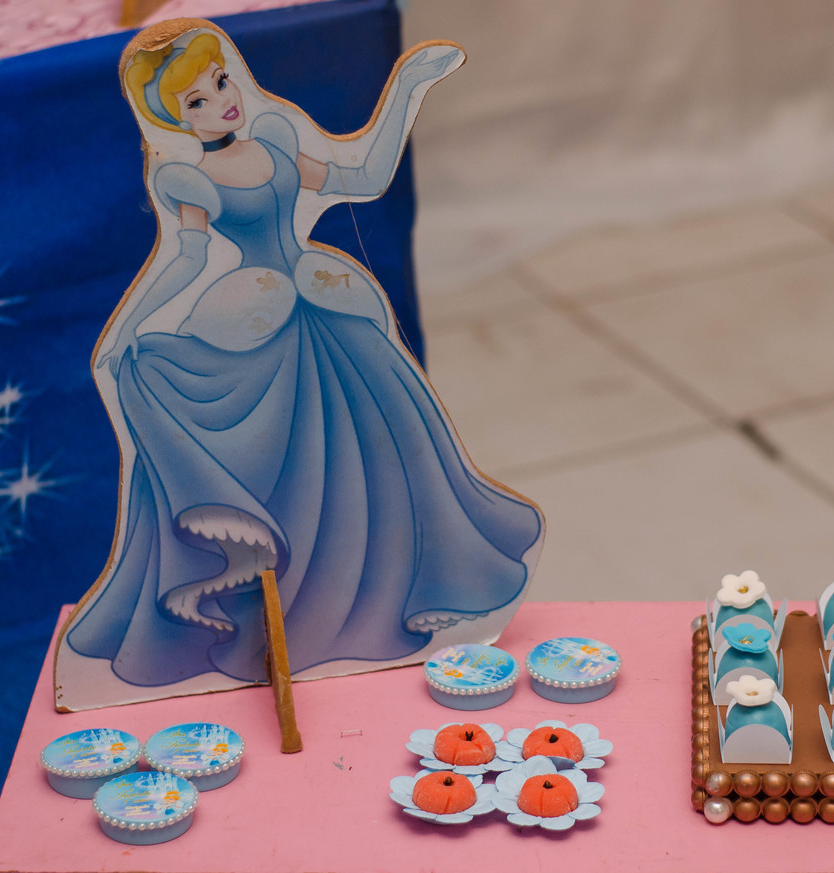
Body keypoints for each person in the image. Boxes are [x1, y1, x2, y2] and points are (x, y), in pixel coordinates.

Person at [56, 21, 543, 705]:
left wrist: (407, 89)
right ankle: (291, 619)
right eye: (196, 100)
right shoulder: (186, 178)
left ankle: (402, 588)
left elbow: (365, 178)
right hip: (260, 328)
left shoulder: (276, 142)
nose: (221, 101)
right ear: (176, 118)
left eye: (220, 81)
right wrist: (129, 327)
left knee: (387, 459)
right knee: (290, 471)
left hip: (325, 310)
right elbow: (185, 261)